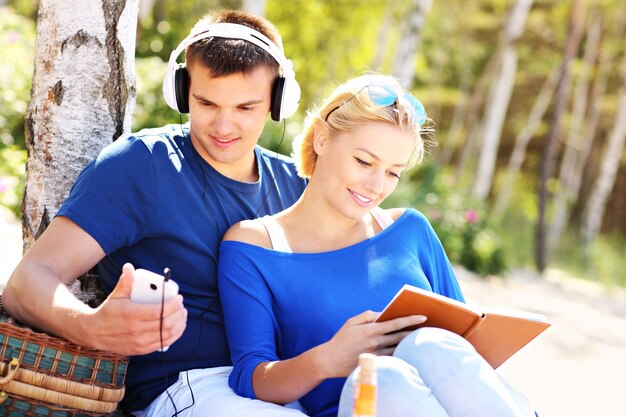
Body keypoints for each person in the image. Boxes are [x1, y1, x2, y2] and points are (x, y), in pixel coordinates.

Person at [3, 9, 309, 417]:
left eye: (246, 107)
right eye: (205, 102)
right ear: (181, 90)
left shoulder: (297, 183)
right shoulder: (143, 165)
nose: (223, 125)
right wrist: (92, 327)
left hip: (287, 379)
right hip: (188, 388)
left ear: (278, 100)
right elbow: (26, 283)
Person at [218, 74, 537, 417]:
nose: (374, 185)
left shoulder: (409, 229)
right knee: (383, 375)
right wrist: (327, 359)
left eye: (392, 173)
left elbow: (465, 351)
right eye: (364, 162)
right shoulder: (253, 245)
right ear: (323, 140)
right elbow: (250, 377)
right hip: (358, 405)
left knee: (427, 343)